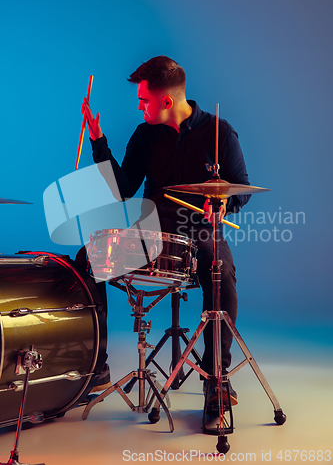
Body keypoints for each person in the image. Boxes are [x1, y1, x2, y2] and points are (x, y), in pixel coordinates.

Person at [81, 56, 251, 428]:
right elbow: (125, 189)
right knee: (87, 258)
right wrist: (98, 141)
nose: (140, 107)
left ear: (167, 101)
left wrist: (221, 202)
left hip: (201, 231)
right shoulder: (145, 136)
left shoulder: (219, 132)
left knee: (219, 267)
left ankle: (215, 380)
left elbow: (242, 190)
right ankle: (94, 365)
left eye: (144, 101)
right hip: (152, 233)